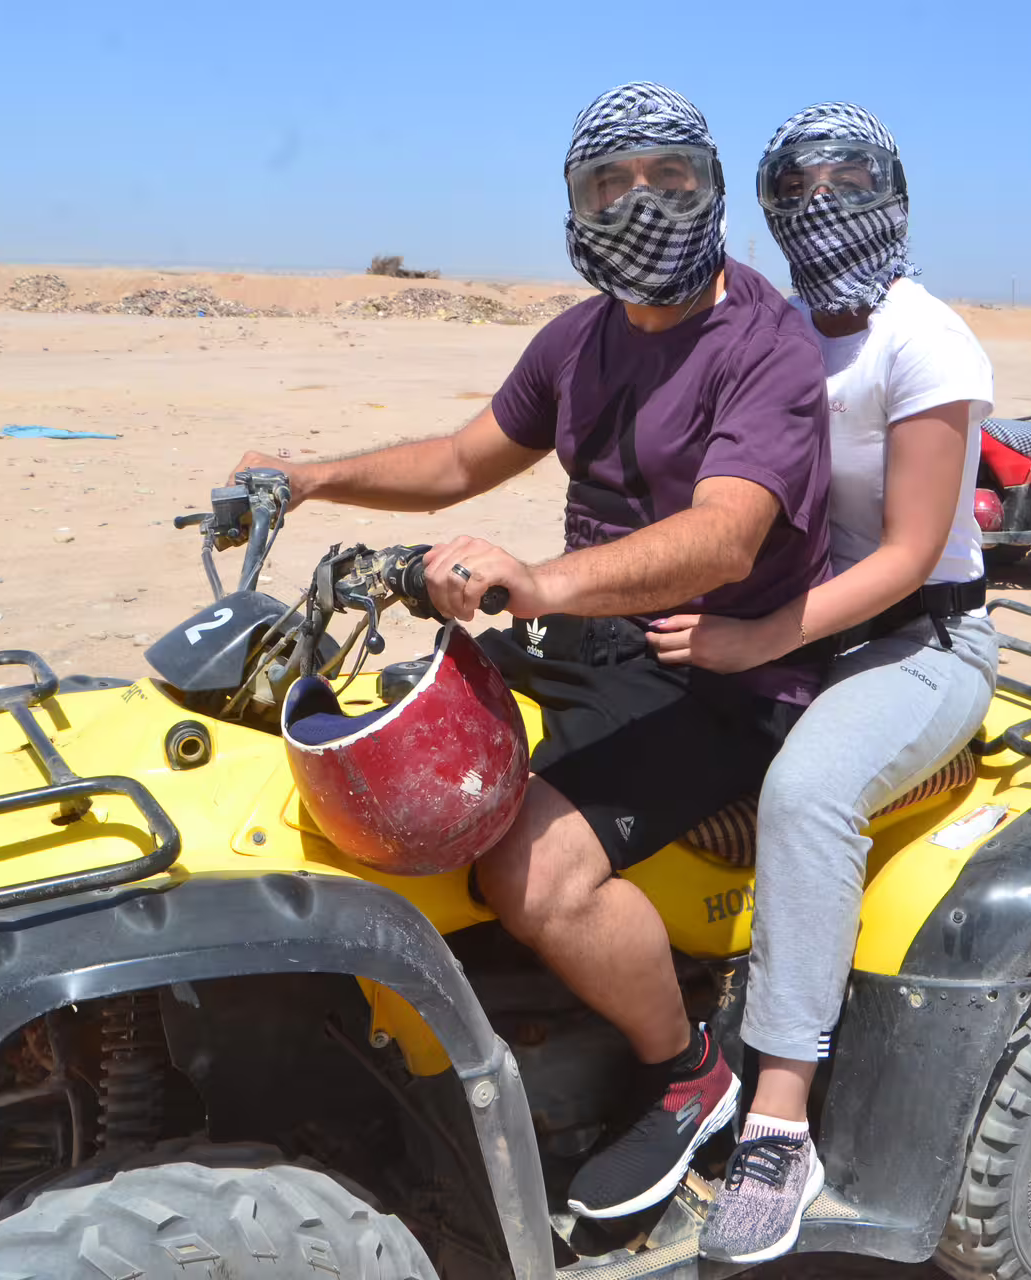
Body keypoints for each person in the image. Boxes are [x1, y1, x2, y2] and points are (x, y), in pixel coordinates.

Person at [229, 82, 833, 1220]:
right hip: (580, 644)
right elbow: (463, 460)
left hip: (717, 667)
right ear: (572, 203)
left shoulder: (765, 346)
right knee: (364, 755)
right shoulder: (580, 338)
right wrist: (308, 475)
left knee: (530, 865)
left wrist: (542, 579)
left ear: (711, 188)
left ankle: (685, 1068)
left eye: (668, 178)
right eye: (607, 184)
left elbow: (726, 533)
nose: (637, 204)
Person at [645, 102, 999, 1263]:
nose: (821, 202)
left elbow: (904, 553)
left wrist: (752, 643)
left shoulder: (925, 339)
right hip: (806, 620)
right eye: (793, 187)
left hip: (920, 641)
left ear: (892, 188)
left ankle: (780, 1118)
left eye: (847, 177)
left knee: (806, 793)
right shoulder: (786, 326)